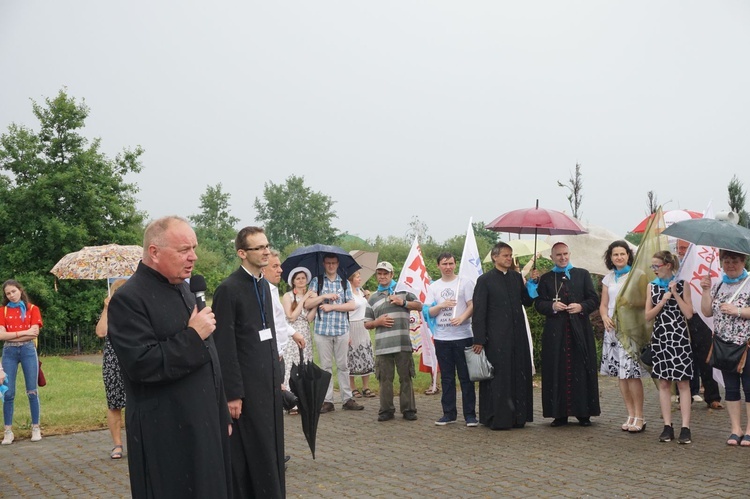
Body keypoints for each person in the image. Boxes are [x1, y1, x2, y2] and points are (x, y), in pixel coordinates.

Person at [107, 216, 232, 498]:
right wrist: (192, 336)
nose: (193, 257)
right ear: (154, 252)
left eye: (194, 248)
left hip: (205, 422)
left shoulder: (185, 289)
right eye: (184, 249)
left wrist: (221, 412)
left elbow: (211, 358)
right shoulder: (129, 299)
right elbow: (142, 365)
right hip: (166, 431)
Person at [212, 226, 286, 498]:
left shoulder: (264, 286)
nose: (267, 251)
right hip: (245, 389)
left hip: (267, 384)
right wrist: (233, 393)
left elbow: (270, 334)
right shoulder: (228, 289)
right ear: (242, 253)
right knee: (251, 452)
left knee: (271, 448)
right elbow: (225, 345)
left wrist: (277, 376)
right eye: (260, 247)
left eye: (267, 246)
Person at [533, 242, 600, 427]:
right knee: (556, 369)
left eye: (565, 254)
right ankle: (558, 413)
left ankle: (584, 412)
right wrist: (552, 306)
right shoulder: (546, 278)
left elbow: (594, 299)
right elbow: (538, 303)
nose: (562, 258)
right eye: (558, 255)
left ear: (569, 254)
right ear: (552, 257)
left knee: (581, 368)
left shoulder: (582, 274)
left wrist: (581, 307)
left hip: (580, 329)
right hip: (556, 332)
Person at [472, 243, 536, 430]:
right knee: (499, 377)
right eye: (506, 255)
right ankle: (497, 417)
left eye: (510, 255)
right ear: (495, 257)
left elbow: (527, 302)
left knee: (518, 374)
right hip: (496, 337)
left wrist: (532, 283)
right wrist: (479, 339)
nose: (509, 258)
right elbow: (479, 311)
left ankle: (518, 416)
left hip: (518, 336)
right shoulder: (485, 280)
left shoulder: (516, 277)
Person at [700, 250, 750, 446]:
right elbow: (706, 311)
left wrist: (737, 311)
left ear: (743, 261)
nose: (730, 265)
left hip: (746, 345)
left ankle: (749, 430)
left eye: (734, 261)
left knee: (749, 387)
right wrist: (705, 290)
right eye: (726, 262)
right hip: (723, 345)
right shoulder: (719, 284)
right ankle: (735, 429)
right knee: (730, 388)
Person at [599, 241, 649, 433]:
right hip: (612, 330)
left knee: (632, 374)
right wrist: (604, 317)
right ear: (610, 257)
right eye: (615, 254)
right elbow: (604, 304)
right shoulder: (608, 278)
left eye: (622, 254)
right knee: (621, 375)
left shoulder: (638, 275)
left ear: (629, 255)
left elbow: (645, 302)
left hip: (630, 330)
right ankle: (629, 414)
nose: (619, 257)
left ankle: (640, 416)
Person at [645, 250, 694, 444]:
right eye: (653, 266)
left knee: (683, 383)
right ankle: (667, 425)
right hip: (660, 338)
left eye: (657, 266)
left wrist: (675, 293)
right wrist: (663, 301)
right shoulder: (652, 287)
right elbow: (647, 316)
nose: (654, 270)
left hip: (680, 338)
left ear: (668, 265)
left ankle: (685, 427)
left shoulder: (683, 285)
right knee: (664, 383)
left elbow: (689, 313)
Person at [304, 254, 363, 413]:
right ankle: (327, 400)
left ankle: (347, 398)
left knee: (343, 365)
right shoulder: (317, 281)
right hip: (322, 330)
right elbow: (308, 303)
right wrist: (323, 297)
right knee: (326, 367)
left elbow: (352, 305)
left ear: (338, 264)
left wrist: (332, 307)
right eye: (328, 263)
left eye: (334, 263)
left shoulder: (344, 282)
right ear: (324, 264)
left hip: (341, 329)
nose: (331, 266)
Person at [364, 261, 422, 422]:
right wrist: (378, 322)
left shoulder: (403, 291)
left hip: (402, 343)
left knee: (405, 377)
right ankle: (386, 410)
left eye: (385, 274)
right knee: (385, 379)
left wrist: (402, 302)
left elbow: (419, 305)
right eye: (379, 274)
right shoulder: (373, 298)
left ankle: (409, 409)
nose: (382, 277)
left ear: (392, 275)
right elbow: (367, 323)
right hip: (383, 346)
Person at [426, 252, 477, 427]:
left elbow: (472, 305)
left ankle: (470, 415)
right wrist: (440, 305)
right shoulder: (434, 287)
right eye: (444, 264)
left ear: (455, 264)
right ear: (438, 266)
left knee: (466, 377)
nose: (448, 267)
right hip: (442, 338)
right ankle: (448, 413)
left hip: (463, 336)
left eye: (451, 263)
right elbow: (428, 312)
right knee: (447, 377)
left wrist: (462, 318)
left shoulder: (464, 283)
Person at [1, 279, 43, 445]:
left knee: (32, 390)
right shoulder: (2, 311)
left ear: (20, 290)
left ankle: (35, 427)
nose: (11, 295)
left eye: (13, 291)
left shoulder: (33, 309)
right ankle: (8, 431)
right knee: (8, 392)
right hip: (9, 351)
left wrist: (14, 334)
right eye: (8, 293)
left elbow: (34, 334)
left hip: (27, 350)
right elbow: (1, 335)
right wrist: (24, 331)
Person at [94, 278, 128, 458]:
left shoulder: (137, 310)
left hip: (133, 358)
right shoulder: (110, 311)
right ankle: (117, 444)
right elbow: (100, 332)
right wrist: (107, 309)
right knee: (114, 403)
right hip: (113, 360)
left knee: (136, 403)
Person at [281, 266, 316, 402]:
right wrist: (303, 299)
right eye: (298, 278)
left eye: (303, 278)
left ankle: (303, 396)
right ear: (293, 281)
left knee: (304, 363)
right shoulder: (288, 296)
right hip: (292, 333)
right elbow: (291, 317)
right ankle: (289, 398)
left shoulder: (309, 298)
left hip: (305, 332)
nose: (301, 281)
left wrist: (315, 304)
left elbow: (309, 318)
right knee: (291, 363)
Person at [347, 270, 376, 398]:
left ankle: (366, 386)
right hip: (352, 325)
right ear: (351, 279)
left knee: (365, 354)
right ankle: (352, 387)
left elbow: (367, 308)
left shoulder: (360, 292)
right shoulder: (347, 293)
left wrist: (368, 297)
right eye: (357, 277)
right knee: (351, 356)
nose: (360, 279)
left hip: (363, 325)